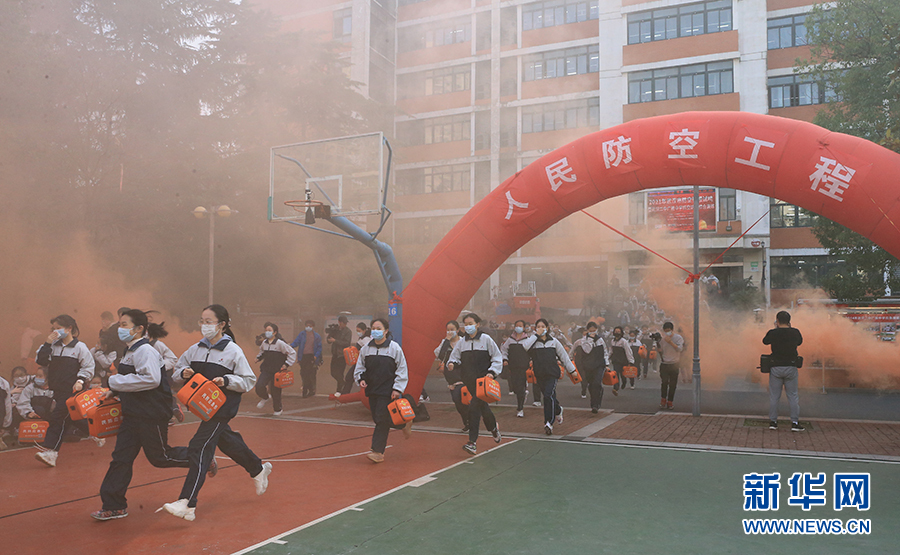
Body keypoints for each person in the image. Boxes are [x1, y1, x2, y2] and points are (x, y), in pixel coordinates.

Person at [160, 304, 272, 522]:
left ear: (222, 324)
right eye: (202, 320)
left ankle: (187, 503)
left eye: (209, 321)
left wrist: (227, 380)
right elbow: (176, 372)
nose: (204, 325)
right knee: (227, 440)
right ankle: (258, 468)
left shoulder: (233, 351)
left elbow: (248, 380)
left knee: (199, 447)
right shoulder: (195, 349)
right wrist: (183, 372)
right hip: (202, 407)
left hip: (222, 408)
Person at [91, 309, 195, 521]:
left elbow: (151, 380)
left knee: (160, 457)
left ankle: (201, 458)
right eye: (119, 324)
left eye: (124, 324)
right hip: (132, 414)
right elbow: (131, 378)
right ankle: (114, 505)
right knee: (121, 458)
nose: (120, 329)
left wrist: (114, 383)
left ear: (139, 329)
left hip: (151, 414)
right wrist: (115, 390)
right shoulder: (129, 350)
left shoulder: (145, 351)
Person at [34, 314, 96, 467]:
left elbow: (88, 366)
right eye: (53, 329)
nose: (55, 331)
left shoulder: (80, 347)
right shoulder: (52, 346)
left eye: (58, 328)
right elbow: (41, 361)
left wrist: (80, 381)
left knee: (58, 418)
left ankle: (51, 452)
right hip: (58, 389)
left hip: (72, 390)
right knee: (72, 417)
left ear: (69, 329)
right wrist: (47, 343)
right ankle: (95, 431)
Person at [353, 318, 412, 463]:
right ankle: (405, 423)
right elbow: (360, 367)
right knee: (380, 418)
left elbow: (402, 369)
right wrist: (361, 379)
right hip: (373, 389)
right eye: (373, 328)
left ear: (386, 331)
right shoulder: (366, 348)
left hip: (388, 390)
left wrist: (397, 388)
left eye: (379, 328)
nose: (375, 331)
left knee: (381, 419)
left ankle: (378, 451)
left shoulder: (394, 348)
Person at [448, 313, 502, 455]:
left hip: (484, 382)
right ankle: (493, 428)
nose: (468, 327)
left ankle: (472, 442)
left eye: (471, 323)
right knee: (483, 408)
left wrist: (492, 372)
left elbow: (497, 357)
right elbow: (454, 357)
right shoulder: (462, 342)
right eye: (466, 324)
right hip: (470, 382)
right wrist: (452, 363)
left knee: (474, 409)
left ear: (478, 324)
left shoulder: (486, 339)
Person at [522, 319, 577, 435]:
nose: (541, 328)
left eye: (543, 326)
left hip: (552, 373)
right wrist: (536, 335)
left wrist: (572, 370)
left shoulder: (554, 342)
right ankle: (558, 409)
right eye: (538, 326)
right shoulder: (533, 342)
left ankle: (549, 423)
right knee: (549, 396)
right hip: (539, 373)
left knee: (547, 396)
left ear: (547, 328)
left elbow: (564, 356)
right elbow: (525, 346)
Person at [763, 311, 804, 432]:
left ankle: (773, 422)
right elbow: (800, 342)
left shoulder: (773, 333)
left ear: (777, 321)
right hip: (791, 366)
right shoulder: (795, 332)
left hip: (776, 367)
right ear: (789, 321)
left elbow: (765, 341)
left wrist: (776, 329)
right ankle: (795, 423)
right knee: (793, 396)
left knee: (774, 396)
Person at [255, 322, 297, 416]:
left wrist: (286, 364)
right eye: (266, 330)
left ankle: (278, 409)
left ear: (275, 332)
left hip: (277, 371)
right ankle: (265, 397)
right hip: (266, 369)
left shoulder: (280, 343)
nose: (267, 332)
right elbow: (262, 352)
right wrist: (258, 358)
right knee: (259, 385)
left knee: (275, 391)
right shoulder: (264, 343)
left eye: (269, 330)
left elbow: (292, 353)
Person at [147, 321, 182, 423]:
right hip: (151, 376)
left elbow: (173, 359)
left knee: (162, 395)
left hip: (163, 375)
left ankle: (172, 412)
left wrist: (159, 367)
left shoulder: (158, 344)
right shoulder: (142, 346)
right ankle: (170, 411)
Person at [434, 320, 467, 430]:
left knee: (466, 399)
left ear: (457, 330)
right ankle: (466, 422)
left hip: (464, 375)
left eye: (452, 329)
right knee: (457, 402)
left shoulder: (463, 341)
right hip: (451, 377)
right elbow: (440, 355)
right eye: (448, 330)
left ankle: (471, 422)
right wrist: (447, 340)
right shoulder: (445, 343)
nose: (450, 332)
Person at [575, 322, 609, 414]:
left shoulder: (600, 340)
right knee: (591, 384)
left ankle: (596, 405)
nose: (593, 332)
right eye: (591, 330)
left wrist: (607, 364)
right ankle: (593, 401)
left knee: (597, 383)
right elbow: (587, 350)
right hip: (588, 365)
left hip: (599, 365)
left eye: (594, 330)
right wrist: (590, 339)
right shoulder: (583, 340)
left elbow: (605, 352)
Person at [500, 319, 531, 418]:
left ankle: (520, 408)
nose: (518, 327)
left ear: (524, 327)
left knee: (520, 387)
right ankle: (522, 395)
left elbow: (532, 352)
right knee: (515, 387)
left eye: (520, 326)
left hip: (523, 367)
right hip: (512, 367)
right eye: (516, 325)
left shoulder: (527, 340)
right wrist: (505, 359)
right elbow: (504, 350)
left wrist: (531, 360)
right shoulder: (510, 340)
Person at [291, 320, 322, 398]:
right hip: (303, 357)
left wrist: (316, 356)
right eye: (307, 325)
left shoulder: (317, 336)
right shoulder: (302, 334)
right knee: (303, 373)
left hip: (312, 357)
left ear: (313, 327)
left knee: (310, 373)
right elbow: (296, 342)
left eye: (310, 326)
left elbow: (319, 348)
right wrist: (289, 347)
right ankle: (308, 389)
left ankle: (307, 390)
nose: (308, 327)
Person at [658, 322, 684, 410]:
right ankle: (663, 400)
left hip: (674, 364)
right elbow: (660, 349)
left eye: (668, 331)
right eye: (665, 331)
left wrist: (671, 342)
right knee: (664, 382)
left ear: (672, 330)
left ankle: (670, 401)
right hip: (665, 364)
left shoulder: (678, 338)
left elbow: (679, 349)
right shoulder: (662, 339)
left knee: (673, 384)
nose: (667, 333)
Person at [340, 322, 370, 394]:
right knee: (349, 377)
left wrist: (361, 352)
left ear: (364, 330)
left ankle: (345, 394)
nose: (358, 332)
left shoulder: (366, 339)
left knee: (349, 377)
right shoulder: (362, 339)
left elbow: (368, 350)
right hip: (359, 362)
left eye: (359, 331)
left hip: (362, 363)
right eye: (357, 331)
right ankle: (345, 393)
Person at [327, 316, 353, 395]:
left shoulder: (348, 331)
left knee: (340, 373)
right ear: (339, 322)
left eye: (345, 323)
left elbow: (346, 343)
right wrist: (330, 337)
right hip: (335, 354)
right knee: (333, 372)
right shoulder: (335, 330)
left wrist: (335, 341)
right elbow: (328, 340)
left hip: (342, 355)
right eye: (343, 323)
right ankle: (342, 383)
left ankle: (339, 391)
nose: (344, 324)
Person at [608, 326, 634, 397]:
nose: (617, 333)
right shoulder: (612, 341)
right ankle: (615, 388)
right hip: (615, 361)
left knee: (623, 375)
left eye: (618, 331)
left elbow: (628, 351)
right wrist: (607, 359)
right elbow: (611, 351)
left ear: (621, 332)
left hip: (623, 361)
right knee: (615, 374)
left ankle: (624, 382)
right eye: (616, 331)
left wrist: (631, 361)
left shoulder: (624, 341)